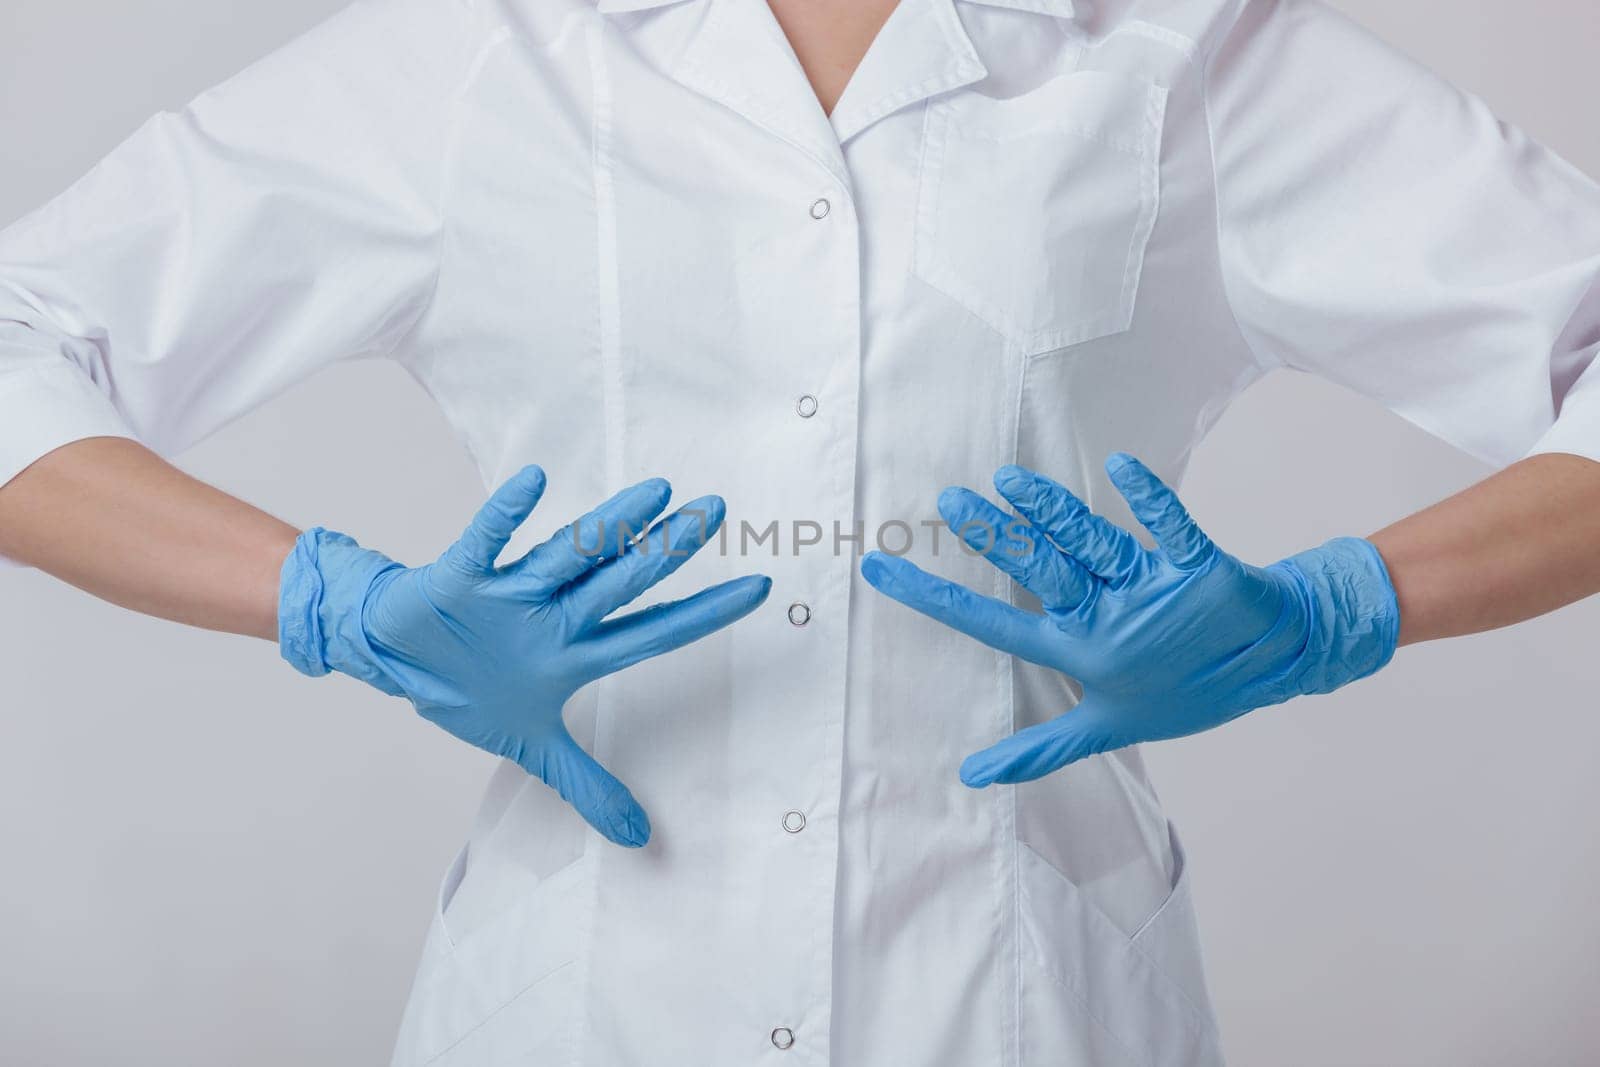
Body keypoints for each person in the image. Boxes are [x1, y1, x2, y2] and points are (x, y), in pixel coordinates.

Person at [2, 0, 1598, 1062]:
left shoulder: (1179, 51)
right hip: (583, 999)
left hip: (1016, 993)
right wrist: (325, 603)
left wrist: (1340, 610)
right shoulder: (491, 54)